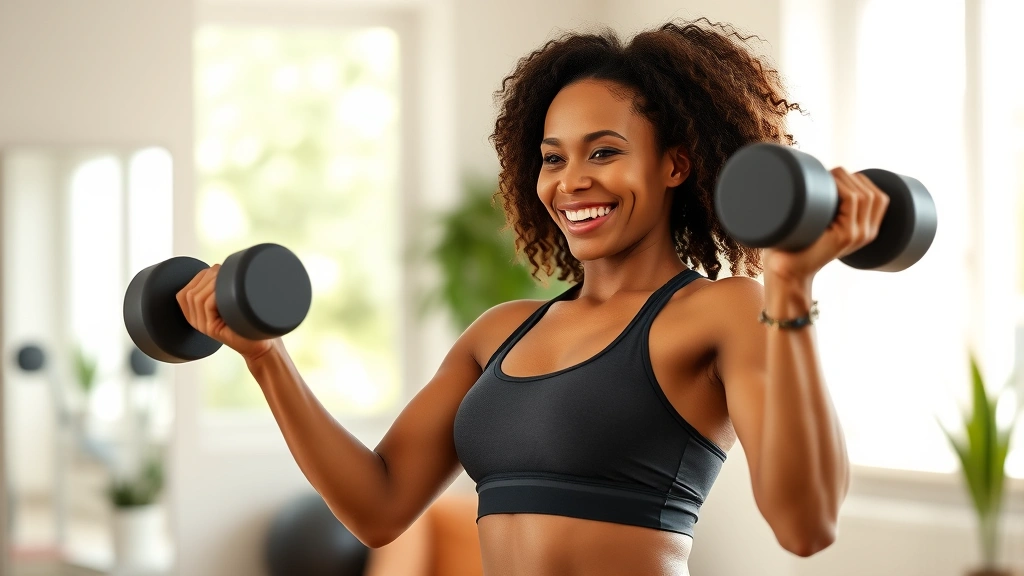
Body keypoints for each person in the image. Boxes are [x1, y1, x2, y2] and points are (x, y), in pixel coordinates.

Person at [178, 18, 880, 576]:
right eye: (553, 157)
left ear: (674, 164)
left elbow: (806, 524)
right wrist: (265, 358)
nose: (571, 181)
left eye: (603, 152)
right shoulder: (500, 331)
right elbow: (379, 505)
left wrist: (790, 284)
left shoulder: (724, 309)